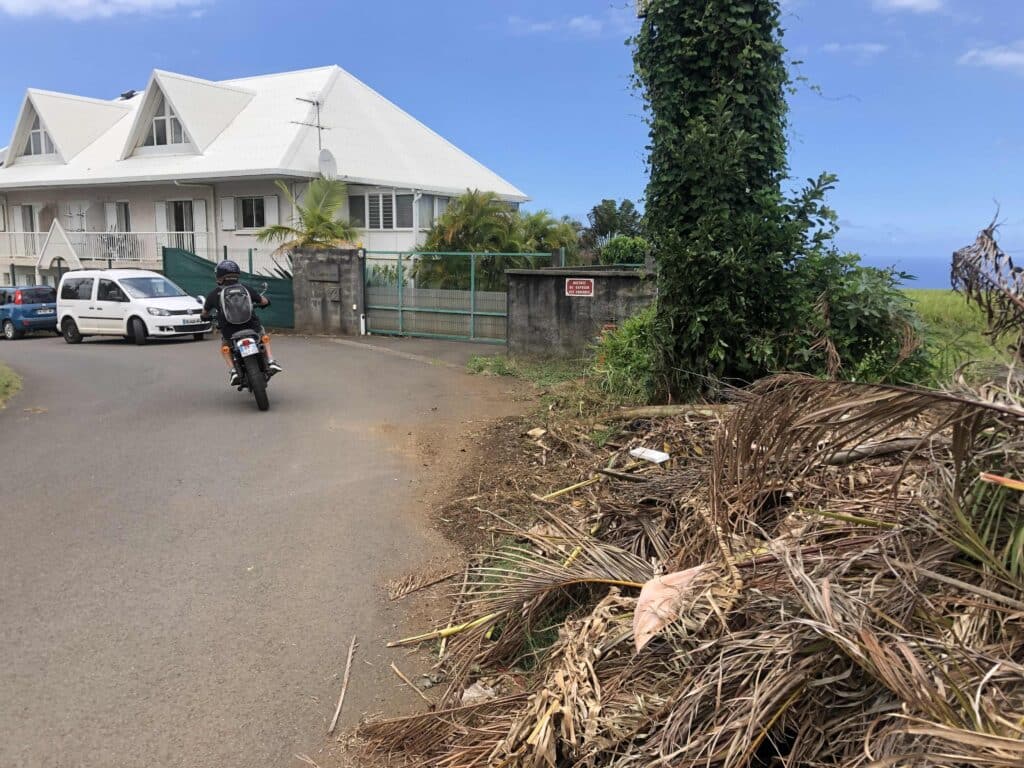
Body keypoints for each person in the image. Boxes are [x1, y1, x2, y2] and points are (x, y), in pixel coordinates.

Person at [201, 259, 283, 386]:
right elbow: (263, 301)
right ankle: (271, 361)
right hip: (251, 327)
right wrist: (266, 302)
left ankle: (233, 371)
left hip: (230, 331)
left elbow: (204, 313)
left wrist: (205, 317)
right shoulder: (246, 289)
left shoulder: (214, 294)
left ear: (219, 276)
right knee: (263, 336)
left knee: (225, 347)